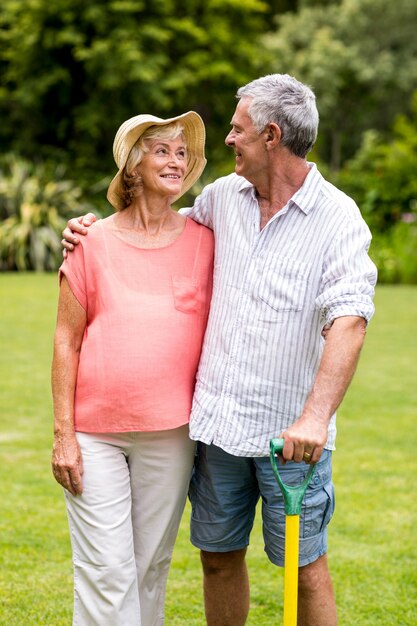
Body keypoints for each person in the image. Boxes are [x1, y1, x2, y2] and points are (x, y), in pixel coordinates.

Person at [62, 74, 377, 626]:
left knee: (304, 567)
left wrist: (315, 417)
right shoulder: (219, 201)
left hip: (290, 435)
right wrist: (91, 230)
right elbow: (153, 230)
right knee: (218, 560)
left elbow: (349, 320)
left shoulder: (337, 218)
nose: (228, 140)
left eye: (238, 130)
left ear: (273, 136)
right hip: (218, 427)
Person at [51, 111, 214, 626]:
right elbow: (65, 340)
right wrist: (63, 435)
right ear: (132, 168)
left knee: (150, 567)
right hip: (94, 434)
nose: (176, 160)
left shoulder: (206, 240)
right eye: (161, 150)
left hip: (171, 432)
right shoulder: (90, 242)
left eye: (182, 152)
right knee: (106, 569)